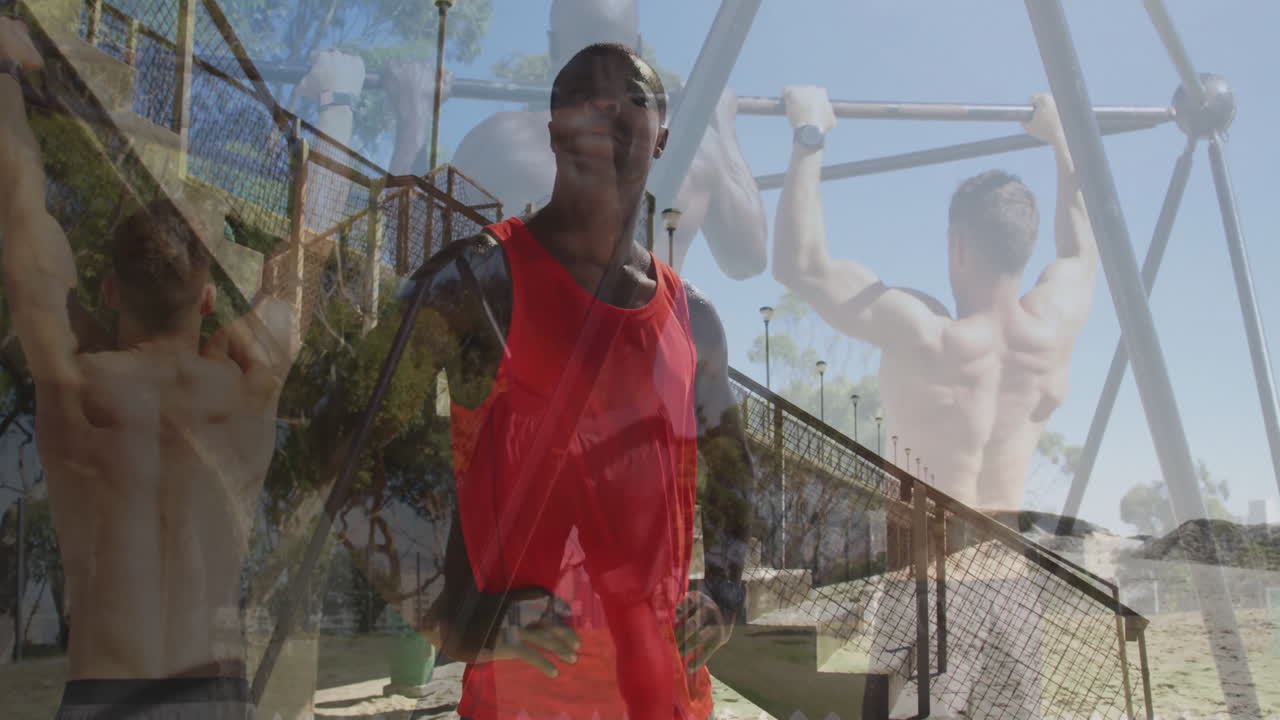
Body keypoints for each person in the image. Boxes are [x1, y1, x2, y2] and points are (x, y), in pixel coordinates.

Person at [356, 42, 754, 719]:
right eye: (586, 95)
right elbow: (343, 437)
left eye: (634, 96)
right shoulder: (478, 282)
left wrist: (727, 591)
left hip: (668, 700)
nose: (610, 108)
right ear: (554, 129)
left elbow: (733, 465)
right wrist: (448, 615)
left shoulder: (697, 320)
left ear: (661, 136)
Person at [0, 16, 340, 718]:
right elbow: (311, 248)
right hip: (211, 693)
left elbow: (18, 208)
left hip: (103, 693)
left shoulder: (75, 381)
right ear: (211, 297)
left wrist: (5, 72)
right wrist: (332, 103)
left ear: (111, 291)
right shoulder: (251, 385)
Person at [773, 86, 1097, 513]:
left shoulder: (925, 333)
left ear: (957, 245)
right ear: (1026, 244)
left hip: (926, 574)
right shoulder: (1052, 329)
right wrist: (1061, 139)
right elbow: (1082, 251)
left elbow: (801, 266)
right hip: (1013, 571)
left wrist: (810, 132)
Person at [431, 0, 768, 278]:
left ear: (552, 46)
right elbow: (747, 259)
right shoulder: (696, 150)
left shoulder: (501, 139)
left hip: (537, 347)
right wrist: (724, 126)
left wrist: (416, 120)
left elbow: (420, 257)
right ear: (636, 49)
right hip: (641, 350)